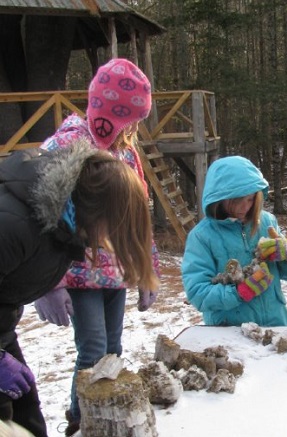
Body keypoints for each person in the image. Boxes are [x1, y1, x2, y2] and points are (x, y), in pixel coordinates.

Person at [32, 58, 161, 436]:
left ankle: (107, 418)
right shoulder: (67, 146)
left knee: (113, 351)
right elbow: (42, 212)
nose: (135, 128)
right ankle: (81, 420)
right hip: (77, 272)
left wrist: (147, 270)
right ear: (110, 112)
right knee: (93, 351)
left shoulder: (126, 154)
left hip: (115, 273)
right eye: (131, 118)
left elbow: (139, 218)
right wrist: (48, 284)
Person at [0, 141, 158, 437]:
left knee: (27, 421)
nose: (113, 239)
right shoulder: (14, 225)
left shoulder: (66, 226)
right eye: (116, 227)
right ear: (97, 212)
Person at [181, 155, 287, 327]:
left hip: (277, 326)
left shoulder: (266, 222)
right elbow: (197, 292)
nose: (245, 207)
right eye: (237, 200)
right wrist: (239, 293)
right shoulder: (202, 236)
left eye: (250, 199)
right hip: (231, 334)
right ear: (219, 199)